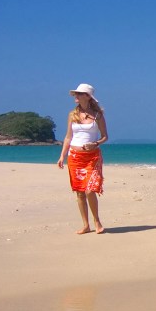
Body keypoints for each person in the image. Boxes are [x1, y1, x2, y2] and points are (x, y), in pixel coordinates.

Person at [57, 83, 108, 234]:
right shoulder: (72, 115)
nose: (76, 96)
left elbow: (105, 136)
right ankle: (85, 225)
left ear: (87, 96)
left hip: (92, 157)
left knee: (89, 190)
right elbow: (68, 137)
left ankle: (97, 221)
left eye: (79, 94)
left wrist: (95, 143)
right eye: (75, 94)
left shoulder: (98, 115)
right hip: (75, 157)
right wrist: (62, 156)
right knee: (79, 191)